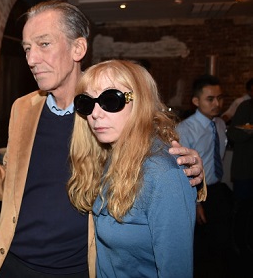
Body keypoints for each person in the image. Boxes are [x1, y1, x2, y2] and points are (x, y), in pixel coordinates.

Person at [0, 0, 205, 278]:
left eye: (44, 44)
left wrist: (194, 173)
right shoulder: (23, 108)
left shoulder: (104, 110)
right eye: (27, 48)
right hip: (14, 261)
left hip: (78, 268)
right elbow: (11, 185)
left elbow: (149, 158)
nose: (31, 59)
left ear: (78, 48)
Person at [67, 59, 197, 277]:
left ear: (140, 102)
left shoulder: (162, 174)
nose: (95, 114)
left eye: (110, 100)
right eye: (86, 103)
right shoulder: (106, 155)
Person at [176, 74, 233, 275]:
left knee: (222, 243)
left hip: (216, 189)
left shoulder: (219, 124)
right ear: (196, 101)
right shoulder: (185, 129)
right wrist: (196, 202)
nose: (217, 103)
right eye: (210, 99)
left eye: (220, 98)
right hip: (196, 193)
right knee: (200, 248)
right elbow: (182, 170)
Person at [226, 97, 253, 259]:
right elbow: (234, 134)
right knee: (242, 210)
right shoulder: (246, 107)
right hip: (245, 170)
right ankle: (239, 245)